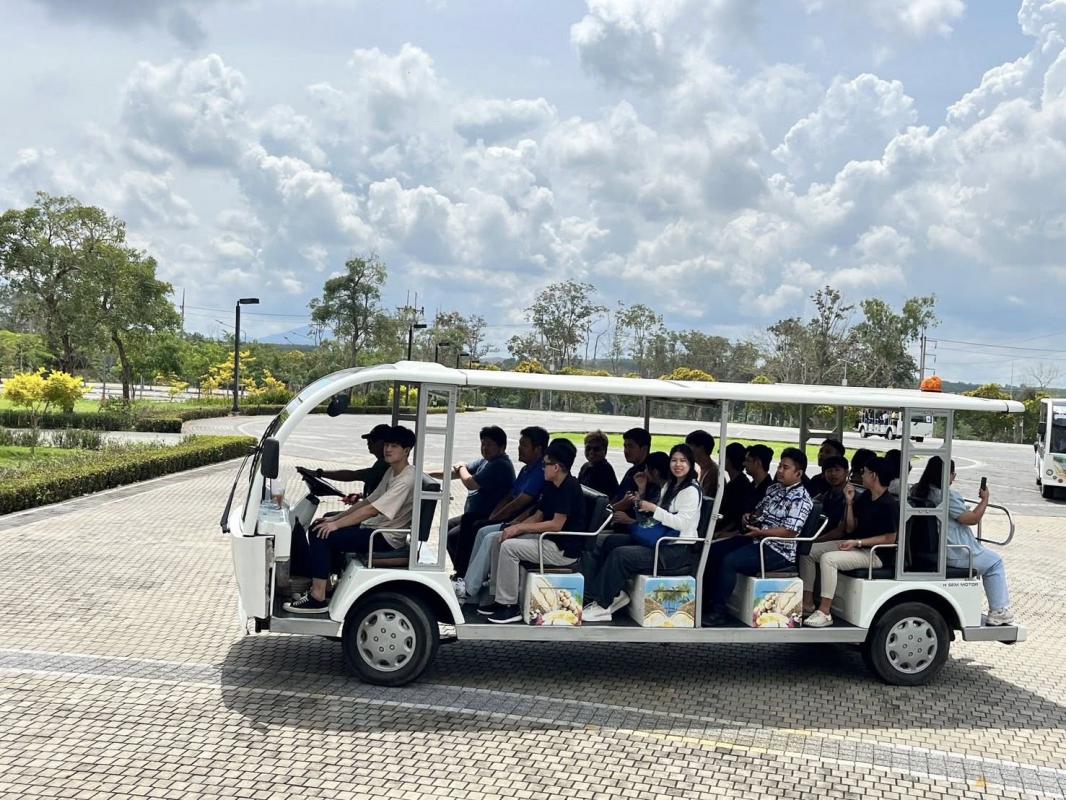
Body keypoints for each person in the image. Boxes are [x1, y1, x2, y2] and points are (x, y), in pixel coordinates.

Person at [284, 425, 418, 614]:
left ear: (406, 450)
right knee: (321, 527)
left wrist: (335, 525)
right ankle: (326, 587)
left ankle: (317, 597)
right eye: (387, 445)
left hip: (386, 537)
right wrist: (335, 518)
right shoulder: (392, 471)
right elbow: (369, 500)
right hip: (377, 529)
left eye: (394, 446)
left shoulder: (406, 479)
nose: (388, 449)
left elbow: (372, 510)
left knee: (321, 535)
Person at [583, 444, 703, 622]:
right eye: (674, 460)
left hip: (674, 551)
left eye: (683, 461)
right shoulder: (671, 486)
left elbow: (682, 523)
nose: (678, 465)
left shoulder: (690, 491)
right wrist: (643, 501)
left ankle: (602, 605)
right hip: (662, 541)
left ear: (691, 463)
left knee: (621, 555)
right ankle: (609, 594)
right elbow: (656, 519)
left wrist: (654, 509)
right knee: (611, 542)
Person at [702, 447, 813, 626]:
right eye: (780, 466)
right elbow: (760, 511)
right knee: (713, 550)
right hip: (757, 539)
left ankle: (719, 612)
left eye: (785, 468)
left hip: (778, 550)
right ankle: (706, 601)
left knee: (730, 561)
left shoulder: (801, 498)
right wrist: (750, 517)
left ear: (798, 473)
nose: (780, 471)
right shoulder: (774, 489)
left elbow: (790, 531)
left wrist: (761, 532)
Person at [483, 439, 588, 624]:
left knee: (509, 548)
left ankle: (509, 606)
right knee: (500, 539)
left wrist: (519, 527)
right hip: (548, 540)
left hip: (563, 549)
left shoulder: (569, 487)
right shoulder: (551, 484)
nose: (542, 468)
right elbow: (538, 517)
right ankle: (498, 598)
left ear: (556, 467)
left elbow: (556, 525)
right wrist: (513, 529)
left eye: (545, 464)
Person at [910, 457, 1014, 625]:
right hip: (955, 551)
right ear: (947, 474)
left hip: (931, 547)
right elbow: (972, 519)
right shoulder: (946, 496)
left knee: (990, 559)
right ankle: (998, 610)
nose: (954, 477)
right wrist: (985, 500)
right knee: (995, 562)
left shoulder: (916, 490)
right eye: (953, 473)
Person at [800, 456, 898, 627]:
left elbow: (889, 538)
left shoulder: (888, 504)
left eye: (864, 472)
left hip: (875, 554)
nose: (861, 476)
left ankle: (824, 611)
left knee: (828, 559)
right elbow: (851, 528)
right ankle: (807, 603)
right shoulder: (866, 497)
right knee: (808, 551)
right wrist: (850, 503)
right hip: (856, 545)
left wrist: (858, 543)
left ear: (873, 475)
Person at [449, 425, 547, 581]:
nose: (519, 449)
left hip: (517, 520)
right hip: (500, 514)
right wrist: (495, 513)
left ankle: (468, 576)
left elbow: (519, 503)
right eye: (519, 444)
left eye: (524, 445)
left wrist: (495, 518)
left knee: (475, 528)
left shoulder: (538, 471)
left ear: (538, 449)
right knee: (461, 523)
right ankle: (463, 573)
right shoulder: (526, 470)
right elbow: (510, 496)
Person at [610, 428, 652, 528]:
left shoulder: (645, 474)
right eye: (625, 446)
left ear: (644, 449)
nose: (626, 451)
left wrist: (612, 509)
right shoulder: (632, 471)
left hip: (631, 526)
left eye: (631, 446)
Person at [714, 442, 751, 536]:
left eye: (724, 458)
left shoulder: (741, 485)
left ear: (729, 460)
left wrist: (722, 532)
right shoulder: (735, 482)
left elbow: (736, 515)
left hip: (727, 531)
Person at [814, 455, 850, 538]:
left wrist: (813, 541)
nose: (833, 474)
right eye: (829, 471)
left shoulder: (851, 497)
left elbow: (840, 532)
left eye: (837, 470)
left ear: (846, 472)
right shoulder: (826, 495)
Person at [578, 430, 619, 498]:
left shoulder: (605, 470)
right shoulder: (585, 466)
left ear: (605, 451)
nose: (591, 452)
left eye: (596, 449)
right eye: (588, 448)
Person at [685, 430, 720, 497]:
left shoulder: (712, 474)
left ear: (701, 448)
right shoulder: (702, 469)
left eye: (689, 447)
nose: (686, 452)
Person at [743, 444, 774, 511]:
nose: (744, 464)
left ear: (758, 463)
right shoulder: (751, 486)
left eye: (748, 460)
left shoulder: (770, 492)